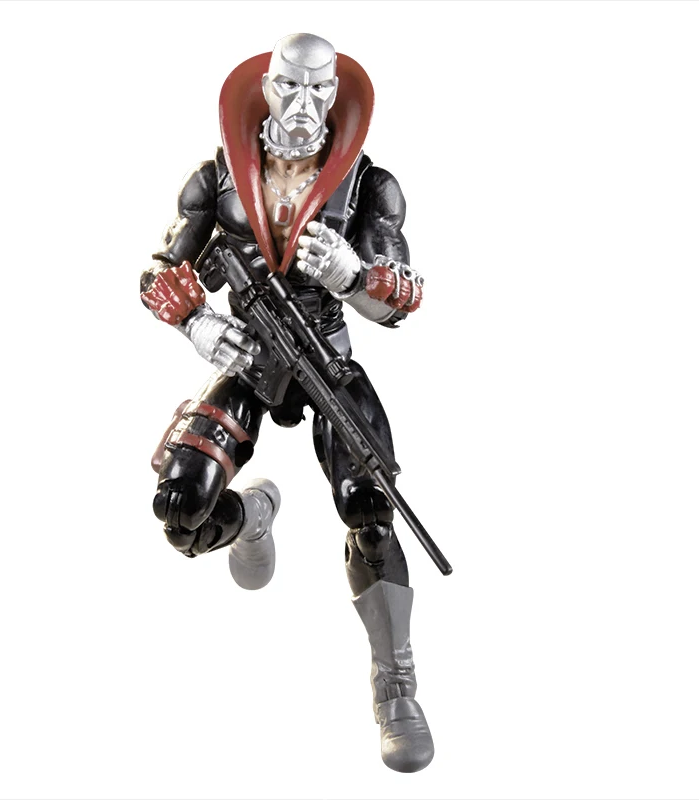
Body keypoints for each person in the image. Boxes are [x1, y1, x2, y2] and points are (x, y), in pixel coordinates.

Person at [140, 33, 434, 773]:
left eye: (320, 90)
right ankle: (250, 519)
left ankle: (394, 679)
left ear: (337, 96)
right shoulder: (216, 178)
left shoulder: (368, 186)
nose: (304, 103)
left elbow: (402, 298)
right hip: (248, 356)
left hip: (326, 358)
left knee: (371, 509)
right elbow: (160, 270)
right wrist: (198, 323)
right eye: (290, 86)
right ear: (265, 88)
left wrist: (351, 274)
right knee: (180, 507)